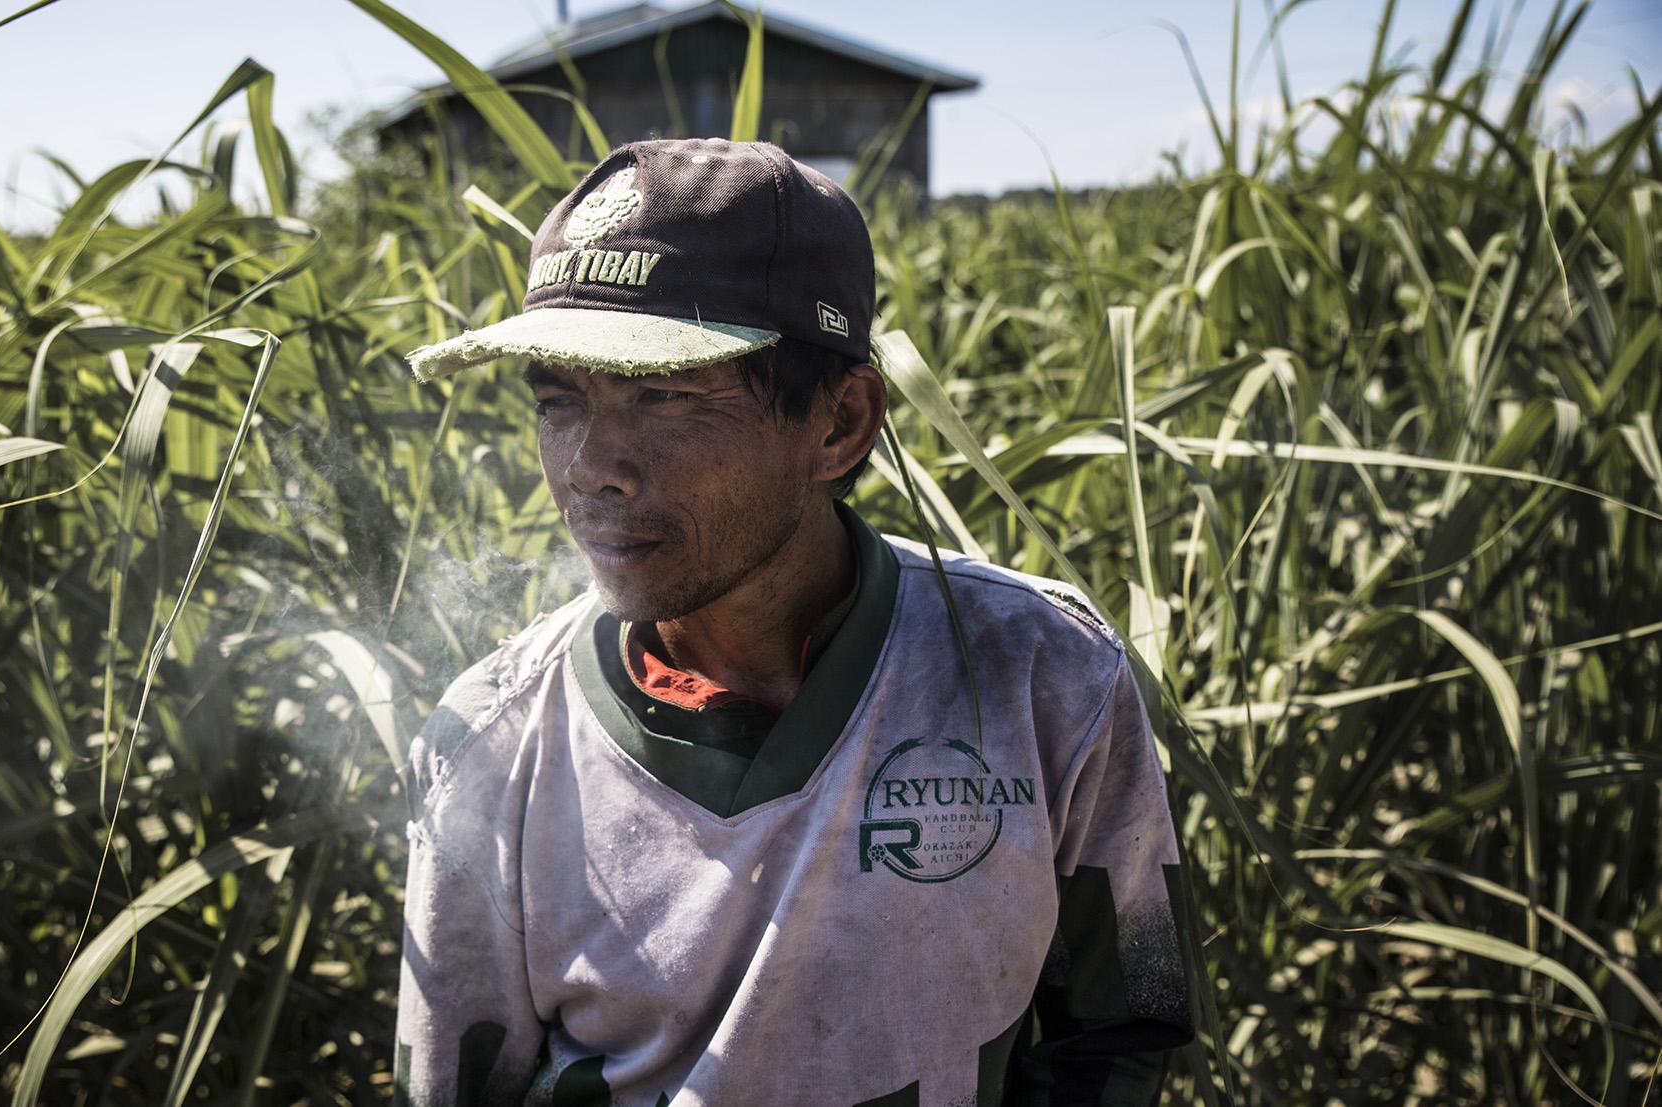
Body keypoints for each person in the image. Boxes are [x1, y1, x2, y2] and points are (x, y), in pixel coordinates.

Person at [393, 137, 1193, 1106]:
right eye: (560, 402)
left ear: (839, 423)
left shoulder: (1040, 674)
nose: (589, 467)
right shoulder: (494, 730)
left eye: (663, 397)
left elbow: (1119, 1029)